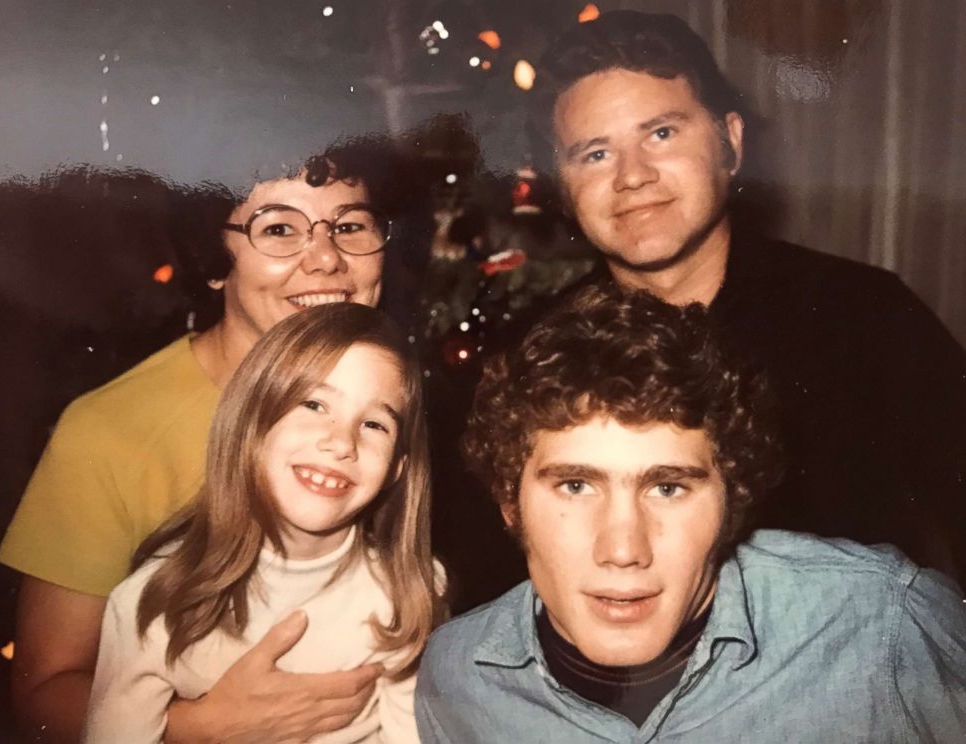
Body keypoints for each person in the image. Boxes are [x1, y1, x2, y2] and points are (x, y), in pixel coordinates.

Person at [0, 137, 427, 743]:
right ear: (215, 259)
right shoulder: (112, 430)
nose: (327, 260)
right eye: (279, 230)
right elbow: (42, 693)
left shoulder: (393, 405)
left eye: (349, 225)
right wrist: (197, 729)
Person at [525, 10, 966, 582]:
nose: (632, 176)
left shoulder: (864, 317)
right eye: (595, 153)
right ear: (562, 185)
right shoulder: (536, 352)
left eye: (661, 133)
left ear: (730, 142)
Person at [415, 286, 966, 743]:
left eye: (669, 488)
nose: (624, 549)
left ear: (733, 500)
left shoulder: (884, 621)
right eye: (577, 486)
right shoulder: (459, 678)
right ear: (510, 504)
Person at [84, 303, 444, 743]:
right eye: (313, 403)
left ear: (396, 468)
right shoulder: (154, 601)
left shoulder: (405, 595)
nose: (340, 442)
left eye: (373, 424)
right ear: (251, 420)